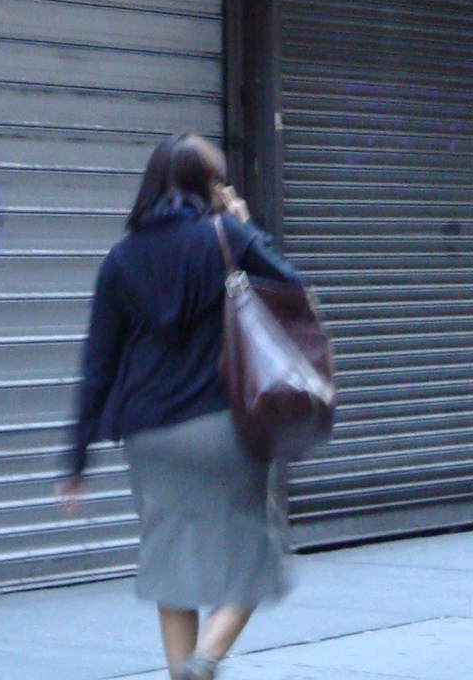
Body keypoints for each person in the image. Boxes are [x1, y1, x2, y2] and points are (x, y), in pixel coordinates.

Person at [57, 132, 308, 680]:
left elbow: (97, 365)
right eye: (220, 181)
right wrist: (246, 227)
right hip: (223, 427)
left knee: (172, 569)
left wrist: (74, 463)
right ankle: (205, 659)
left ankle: (184, 673)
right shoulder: (226, 236)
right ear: (207, 187)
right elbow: (290, 287)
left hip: (149, 435)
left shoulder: (120, 260)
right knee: (255, 553)